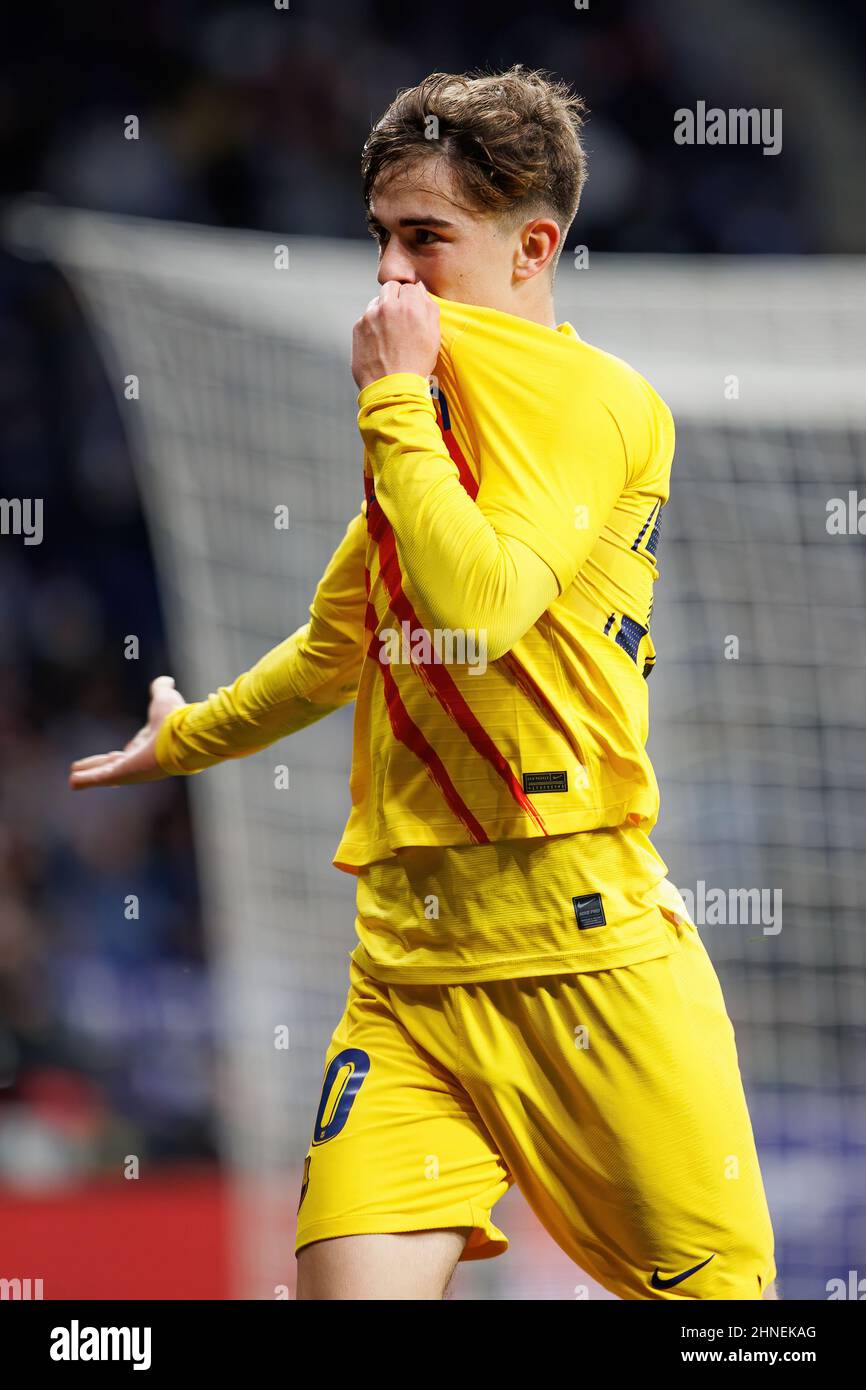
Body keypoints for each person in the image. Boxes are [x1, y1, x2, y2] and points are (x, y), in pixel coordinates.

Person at [70, 65, 777, 1301]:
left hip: (587, 963)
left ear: (531, 246)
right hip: (406, 975)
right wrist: (185, 738)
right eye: (379, 243)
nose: (390, 277)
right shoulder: (433, 438)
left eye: (425, 241)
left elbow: (485, 609)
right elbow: (340, 645)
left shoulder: (594, 400)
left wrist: (394, 400)